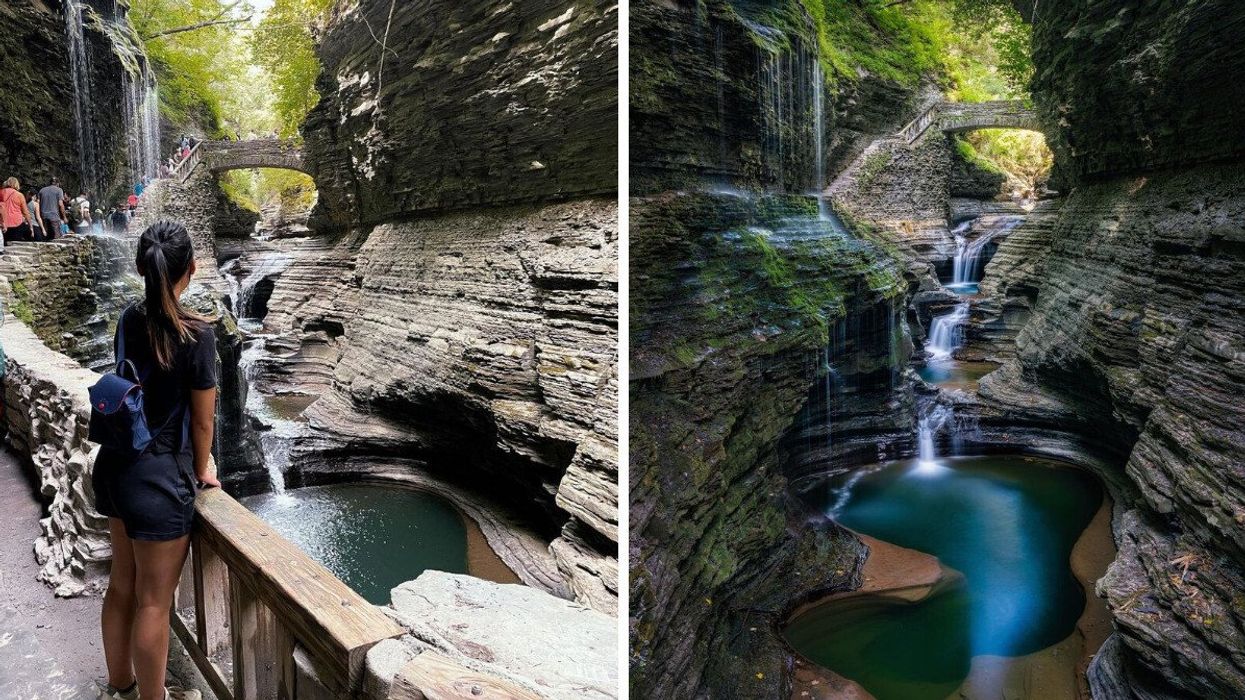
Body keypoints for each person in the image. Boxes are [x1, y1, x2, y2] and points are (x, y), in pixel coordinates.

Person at [92, 221, 216, 700]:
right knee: (153, 603)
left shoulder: (127, 319)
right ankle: (154, 698)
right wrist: (203, 469)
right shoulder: (198, 335)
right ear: (190, 269)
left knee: (122, 585)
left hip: (117, 467)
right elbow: (203, 424)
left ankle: (119, 682)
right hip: (160, 482)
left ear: (142, 268)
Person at [1, 177, 34, 245]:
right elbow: (25, 212)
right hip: (16, 223)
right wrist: (31, 226)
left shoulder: (1, 192)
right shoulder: (19, 195)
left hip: (3, 223)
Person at [37, 177, 66, 242]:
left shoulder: (42, 190)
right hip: (54, 216)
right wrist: (64, 217)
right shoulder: (59, 190)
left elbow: (38, 203)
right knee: (56, 237)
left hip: (43, 216)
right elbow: (60, 204)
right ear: (57, 183)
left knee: (45, 236)